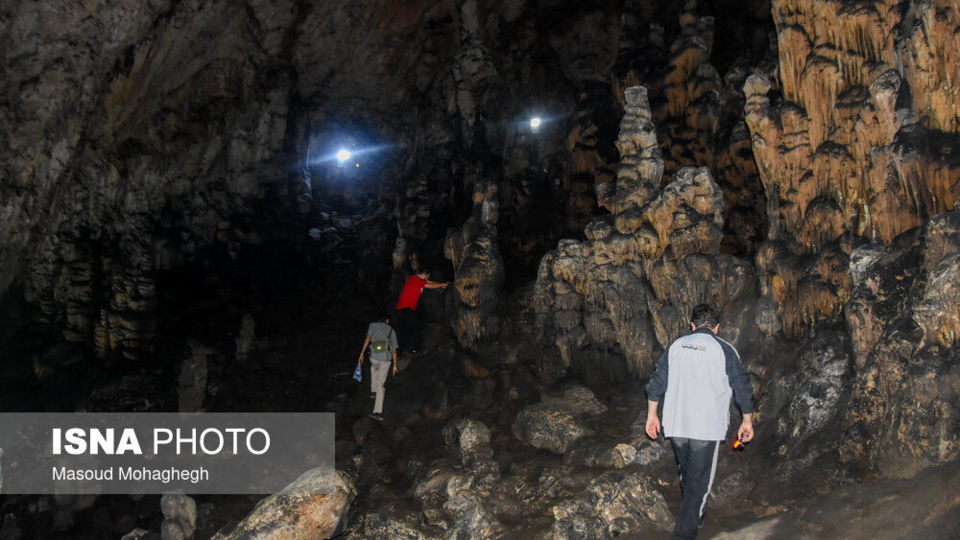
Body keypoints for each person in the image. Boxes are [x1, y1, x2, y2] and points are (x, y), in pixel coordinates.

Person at [644, 304, 754, 539]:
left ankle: (693, 511)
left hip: (676, 426)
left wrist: (652, 416)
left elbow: (656, 383)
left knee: (687, 473)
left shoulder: (676, 346)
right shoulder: (724, 349)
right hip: (706, 428)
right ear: (717, 327)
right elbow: (742, 387)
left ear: (692, 325)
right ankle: (687, 528)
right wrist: (747, 421)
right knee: (699, 485)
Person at [392, 271, 449, 354]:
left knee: (404, 329)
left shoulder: (415, 279)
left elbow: (430, 282)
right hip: (406, 309)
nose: (427, 279)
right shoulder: (415, 279)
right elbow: (429, 285)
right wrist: (442, 285)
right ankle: (414, 349)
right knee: (417, 327)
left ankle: (400, 351)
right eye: (427, 277)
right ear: (423, 274)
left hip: (402, 309)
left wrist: (442, 284)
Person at [357, 315, 399, 422]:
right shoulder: (391, 331)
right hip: (385, 360)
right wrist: (395, 365)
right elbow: (394, 350)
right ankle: (377, 412)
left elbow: (367, 339)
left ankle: (373, 391)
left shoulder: (372, 325)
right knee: (381, 384)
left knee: (374, 368)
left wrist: (361, 353)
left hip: (373, 357)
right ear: (387, 320)